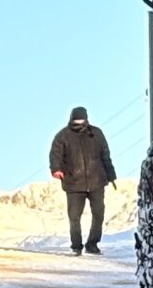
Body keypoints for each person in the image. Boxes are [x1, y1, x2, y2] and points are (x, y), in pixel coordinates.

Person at [48, 106, 118, 257]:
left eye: (81, 120)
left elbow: (105, 155)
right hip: (73, 183)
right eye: (76, 120)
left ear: (86, 119)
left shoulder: (96, 134)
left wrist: (111, 175)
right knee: (74, 216)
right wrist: (56, 169)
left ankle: (92, 244)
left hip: (97, 181)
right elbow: (55, 155)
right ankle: (76, 245)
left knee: (98, 214)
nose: (78, 123)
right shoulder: (63, 136)